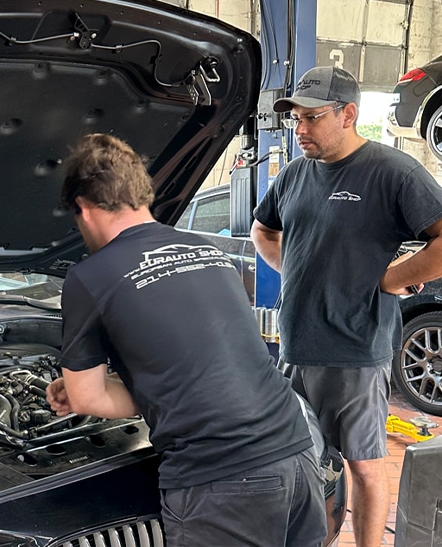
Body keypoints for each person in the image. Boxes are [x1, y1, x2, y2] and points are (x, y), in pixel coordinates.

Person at [46, 133, 327, 547]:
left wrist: (86, 387)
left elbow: (86, 399)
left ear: (84, 209)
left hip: (224, 478)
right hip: (297, 453)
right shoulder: (207, 251)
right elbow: (209, 363)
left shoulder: (91, 276)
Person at [250, 66, 442, 547]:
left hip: (354, 350)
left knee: (363, 462)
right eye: (295, 119)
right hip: (295, 346)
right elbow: (263, 230)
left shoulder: (392, 171)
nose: (299, 131)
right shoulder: (295, 175)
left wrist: (393, 278)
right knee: (303, 457)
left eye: (311, 119)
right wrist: (290, 268)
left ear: (348, 114)